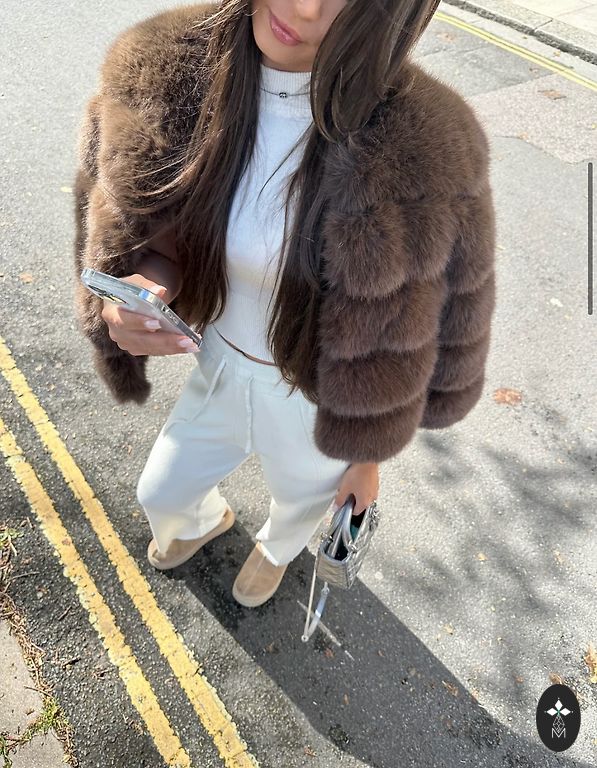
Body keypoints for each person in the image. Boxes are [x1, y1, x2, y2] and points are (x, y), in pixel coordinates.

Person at [73, 0, 496, 608]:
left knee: (300, 501)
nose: (304, 7)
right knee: (160, 493)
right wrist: (141, 289)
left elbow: (445, 314)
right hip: (219, 362)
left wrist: (366, 457)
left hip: (312, 396)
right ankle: (202, 521)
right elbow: (154, 236)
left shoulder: (431, 145)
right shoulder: (161, 74)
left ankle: (276, 550)